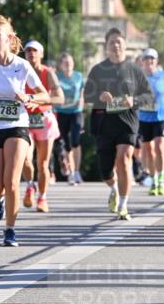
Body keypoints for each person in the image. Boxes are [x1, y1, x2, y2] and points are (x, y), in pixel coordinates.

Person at [0, 16, 48, 246]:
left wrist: (30, 97)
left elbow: (44, 94)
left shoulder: (22, 65)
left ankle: (10, 230)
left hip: (17, 126)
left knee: (12, 181)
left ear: (10, 38)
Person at [84, 27, 152, 221]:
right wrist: (99, 96)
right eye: (112, 42)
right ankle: (114, 188)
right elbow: (87, 95)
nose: (116, 45)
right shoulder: (98, 70)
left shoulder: (135, 70)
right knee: (106, 171)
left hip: (127, 123)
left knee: (124, 159)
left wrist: (134, 100)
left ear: (125, 45)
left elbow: (148, 96)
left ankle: (123, 205)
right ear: (106, 46)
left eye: (119, 42)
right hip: (104, 124)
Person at [21, 40, 64, 213]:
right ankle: (30, 185)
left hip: (44, 120)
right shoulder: (20, 71)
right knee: (25, 159)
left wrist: (38, 100)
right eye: (28, 50)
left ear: (41, 54)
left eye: (34, 50)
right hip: (25, 120)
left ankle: (42, 198)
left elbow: (60, 98)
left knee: (43, 163)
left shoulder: (48, 73)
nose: (31, 53)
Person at [138, 48, 164, 196]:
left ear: (156, 61)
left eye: (152, 58)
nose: (149, 61)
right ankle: (154, 179)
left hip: (161, 116)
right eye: (146, 58)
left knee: (160, 146)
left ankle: (161, 179)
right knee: (148, 150)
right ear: (142, 62)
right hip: (144, 117)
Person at [56, 52, 85, 184]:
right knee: (66, 144)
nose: (68, 64)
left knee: (75, 141)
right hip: (62, 112)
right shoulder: (57, 77)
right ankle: (71, 173)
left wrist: (81, 102)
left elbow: (82, 92)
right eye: (65, 62)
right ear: (61, 65)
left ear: (73, 63)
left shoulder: (78, 76)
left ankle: (77, 171)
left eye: (70, 62)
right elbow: (53, 91)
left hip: (76, 112)